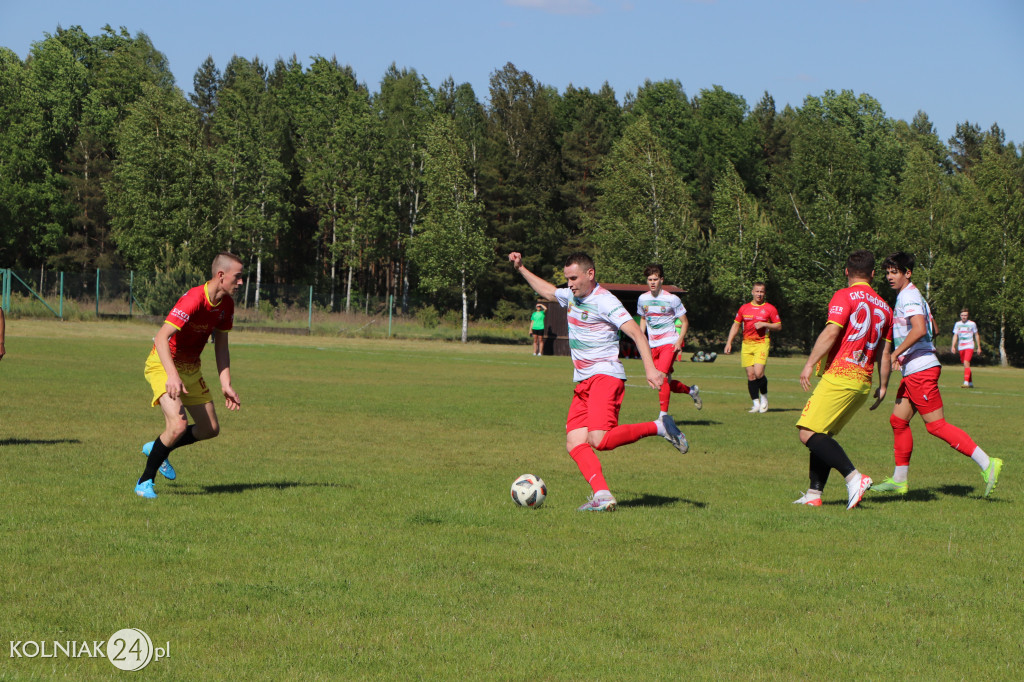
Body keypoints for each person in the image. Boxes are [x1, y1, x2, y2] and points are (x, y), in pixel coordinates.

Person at [508, 251, 689, 512]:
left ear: (590, 274)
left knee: (600, 440)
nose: (569, 284)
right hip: (583, 382)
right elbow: (548, 292)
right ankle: (602, 495)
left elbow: (637, 332)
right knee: (575, 442)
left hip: (605, 376)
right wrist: (521, 268)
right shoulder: (571, 296)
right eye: (566, 279)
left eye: (573, 278)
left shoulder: (605, 301)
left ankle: (659, 426)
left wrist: (650, 369)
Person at [870, 253, 1002, 498]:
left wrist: (896, 353)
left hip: (920, 369)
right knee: (898, 421)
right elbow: (934, 328)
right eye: (887, 272)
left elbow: (920, 329)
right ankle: (899, 480)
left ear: (907, 273)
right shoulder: (914, 295)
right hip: (916, 367)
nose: (889, 277)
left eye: (894, 272)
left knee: (936, 426)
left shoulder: (908, 296)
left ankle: (988, 462)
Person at [134, 253, 244, 499]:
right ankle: (144, 482)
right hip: (164, 364)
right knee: (178, 425)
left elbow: (221, 344)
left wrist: (226, 383)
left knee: (210, 429)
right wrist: (172, 375)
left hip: (191, 369)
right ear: (221, 275)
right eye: (237, 277)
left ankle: (158, 447)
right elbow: (162, 337)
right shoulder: (194, 299)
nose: (241, 282)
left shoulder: (226, 304)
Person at [793, 250, 892, 510]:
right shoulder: (885, 307)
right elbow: (884, 352)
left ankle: (853, 477)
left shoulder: (844, 295)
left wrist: (809, 362)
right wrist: (883, 386)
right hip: (863, 381)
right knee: (821, 433)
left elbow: (831, 330)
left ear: (847, 271)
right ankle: (815, 493)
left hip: (841, 375)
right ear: (872, 274)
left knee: (807, 433)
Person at [637, 263, 702, 414]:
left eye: (655, 279)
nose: (652, 282)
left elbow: (685, 322)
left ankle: (663, 417)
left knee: (661, 377)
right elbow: (643, 319)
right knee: (662, 382)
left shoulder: (672, 299)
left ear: (661, 280)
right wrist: (641, 337)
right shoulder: (642, 299)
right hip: (652, 345)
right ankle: (691, 391)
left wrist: (679, 341)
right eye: (649, 279)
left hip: (669, 343)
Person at [724, 283, 781, 413]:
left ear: (764, 293)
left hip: (761, 343)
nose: (759, 294)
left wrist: (765, 324)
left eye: (762, 292)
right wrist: (729, 342)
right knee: (751, 375)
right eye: (757, 291)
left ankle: (764, 398)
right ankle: (756, 404)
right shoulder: (744, 308)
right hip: (747, 344)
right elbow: (736, 325)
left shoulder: (770, 308)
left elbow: (778, 326)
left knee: (759, 373)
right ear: (752, 292)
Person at [951, 308, 981, 388]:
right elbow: (955, 335)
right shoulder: (957, 324)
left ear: (968, 316)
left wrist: (979, 347)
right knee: (965, 364)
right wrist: (953, 346)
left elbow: (976, 335)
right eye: (962, 315)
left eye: (965, 315)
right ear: (960, 316)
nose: (964, 317)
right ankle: (970, 382)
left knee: (966, 362)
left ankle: (966, 382)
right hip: (961, 346)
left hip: (969, 345)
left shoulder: (972, 324)